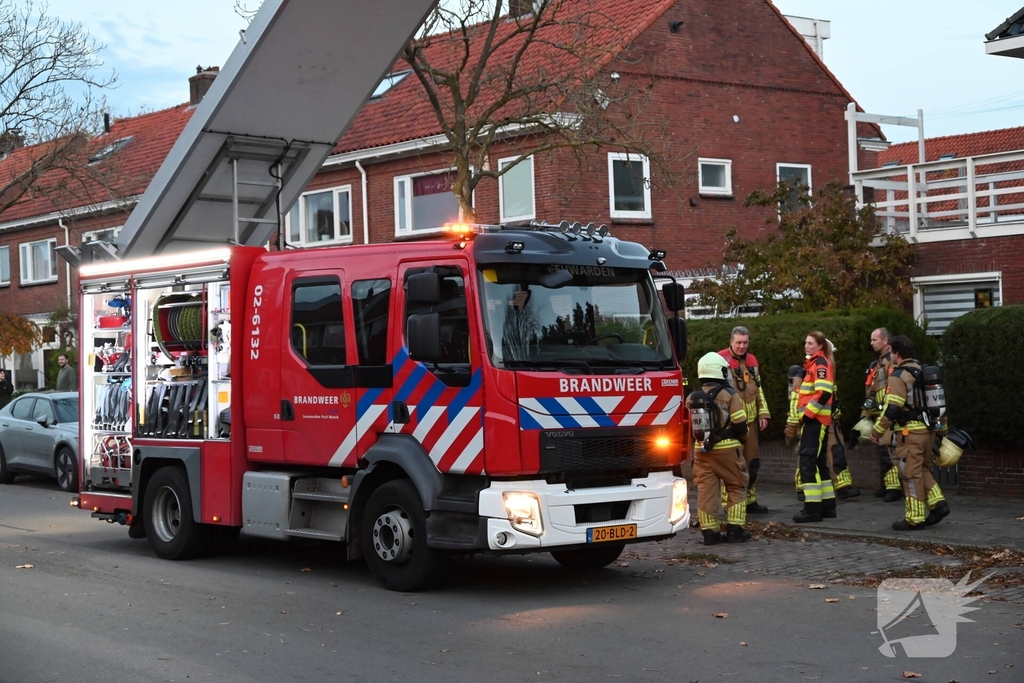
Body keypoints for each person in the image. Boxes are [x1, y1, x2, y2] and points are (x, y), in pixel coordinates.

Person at [869, 335, 951, 531]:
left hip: (910, 435)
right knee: (922, 469)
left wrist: (877, 431)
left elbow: (893, 408)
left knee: (910, 475)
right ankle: (938, 504)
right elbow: (938, 404)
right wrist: (943, 430)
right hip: (928, 432)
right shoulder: (923, 371)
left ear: (895, 354)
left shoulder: (898, 375)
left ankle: (914, 518)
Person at [686, 352, 752, 545]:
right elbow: (739, 425)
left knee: (706, 491)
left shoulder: (692, 397)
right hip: (728, 451)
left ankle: (710, 534)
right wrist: (745, 438)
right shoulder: (730, 395)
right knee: (737, 486)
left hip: (701, 451)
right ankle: (735, 530)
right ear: (720, 371)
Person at [718, 326, 771, 514]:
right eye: (738, 342)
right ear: (731, 341)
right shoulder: (720, 360)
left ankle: (750, 500)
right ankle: (729, 504)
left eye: (745, 342)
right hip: (731, 424)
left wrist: (763, 413)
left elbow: (759, 390)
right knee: (732, 464)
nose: (742, 346)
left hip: (750, 423)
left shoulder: (752, 361)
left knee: (752, 462)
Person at [791, 331, 838, 523]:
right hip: (816, 420)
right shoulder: (814, 363)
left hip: (815, 421)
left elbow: (824, 392)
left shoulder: (820, 364)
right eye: (806, 342)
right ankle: (828, 506)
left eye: (810, 343)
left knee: (808, 462)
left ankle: (812, 509)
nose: (806, 346)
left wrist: (808, 414)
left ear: (820, 346)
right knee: (818, 462)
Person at [862, 328, 902, 502]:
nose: (871, 343)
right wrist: (866, 411)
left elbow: (892, 387)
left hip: (888, 414)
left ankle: (894, 488)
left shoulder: (891, 362)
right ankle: (887, 484)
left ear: (885, 341)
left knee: (889, 450)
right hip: (877, 413)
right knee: (882, 451)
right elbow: (871, 389)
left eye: (874, 340)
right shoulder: (876, 363)